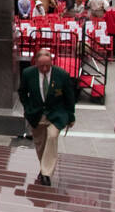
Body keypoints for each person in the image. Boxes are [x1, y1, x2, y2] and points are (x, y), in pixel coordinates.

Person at [19, 48, 76, 187]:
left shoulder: (62, 75)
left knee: (52, 136)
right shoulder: (28, 74)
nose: (44, 68)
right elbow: (22, 93)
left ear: (52, 62)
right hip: (36, 114)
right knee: (40, 144)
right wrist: (27, 108)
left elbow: (70, 97)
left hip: (57, 114)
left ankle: (46, 174)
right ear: (36, 63)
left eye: (47, 65)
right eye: (41, 66)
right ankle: (44, 167)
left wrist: (71, 116)